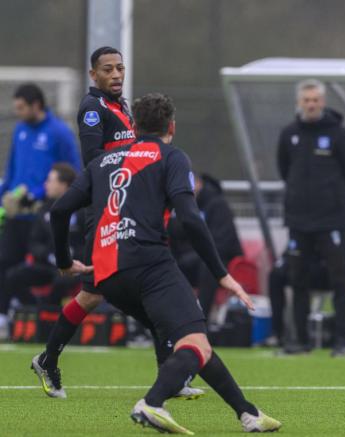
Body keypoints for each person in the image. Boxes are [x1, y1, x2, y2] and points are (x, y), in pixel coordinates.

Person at [46, 93, 281, 433]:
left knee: (190, 339)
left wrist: (65, 262)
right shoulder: (171, 157)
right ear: (171, 126)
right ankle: (152, 403)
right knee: (194, 341)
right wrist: (221, 273)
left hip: (109, 275)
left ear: (134, 126)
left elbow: (59, 211)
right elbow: (190, 219)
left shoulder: (102, 163)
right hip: (150, 264)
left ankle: (248, 413)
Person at [32, 47, 200, 401]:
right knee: (137, 291)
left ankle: (48, 359)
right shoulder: (93, 110)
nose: (116, 74)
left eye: (120, 67)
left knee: (94, 294)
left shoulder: (122, 107)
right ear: (93, 75)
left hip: (125, 205)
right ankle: (170, 371)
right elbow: (94, 160)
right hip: (106, 209)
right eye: (107, 69)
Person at [277, 78, 345, 356]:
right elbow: (284, 169)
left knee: (338, 280)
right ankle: (299, 341)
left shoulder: (339, 134)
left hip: (331, 221)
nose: (311, 105)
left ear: (322, 102)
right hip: (299, 221)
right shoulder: (289, 134)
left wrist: (332, 198)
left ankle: (342, 341)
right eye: (306, 100)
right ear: (300, 103)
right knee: (297, 280)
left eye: (315, 100)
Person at [0, 84, 80, 338]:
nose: (19, 112)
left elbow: (72, 171)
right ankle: (6, 316)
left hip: (42, 214)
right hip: (16, 215)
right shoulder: (21, 130)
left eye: (22, 107)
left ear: (36, 105)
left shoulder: (59, 133)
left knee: (40, 264)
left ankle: (38, 313)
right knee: (5, 264)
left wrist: (35, 194)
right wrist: (4, 192)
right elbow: (12, 169)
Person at [269, 198, 345, 352]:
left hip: (334, 266)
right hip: (309, 266)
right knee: (278, 275)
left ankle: (342, 339)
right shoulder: (302, 207)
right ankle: (284, 336)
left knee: (339, 280)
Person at [2, 164, 84, 310]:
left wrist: (73, 257)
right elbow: (34, 243)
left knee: (62, 282)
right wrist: (48, 255)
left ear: (63, 185)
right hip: (48, 266)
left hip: (74, 268)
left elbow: (89, 241)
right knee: (13, 276)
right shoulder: (45, 210)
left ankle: (49, 314)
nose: (46, 184)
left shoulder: (81, 210)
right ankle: (36, 310)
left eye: (50, 180)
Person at [168, 172, 244, 318]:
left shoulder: (217, 204)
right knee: (163, 268)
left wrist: (193, 257)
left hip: (219, 262)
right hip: (187, 263)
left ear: (198, 184)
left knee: (208, 268)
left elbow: (223, 243)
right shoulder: (178, 207)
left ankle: (200, 320)